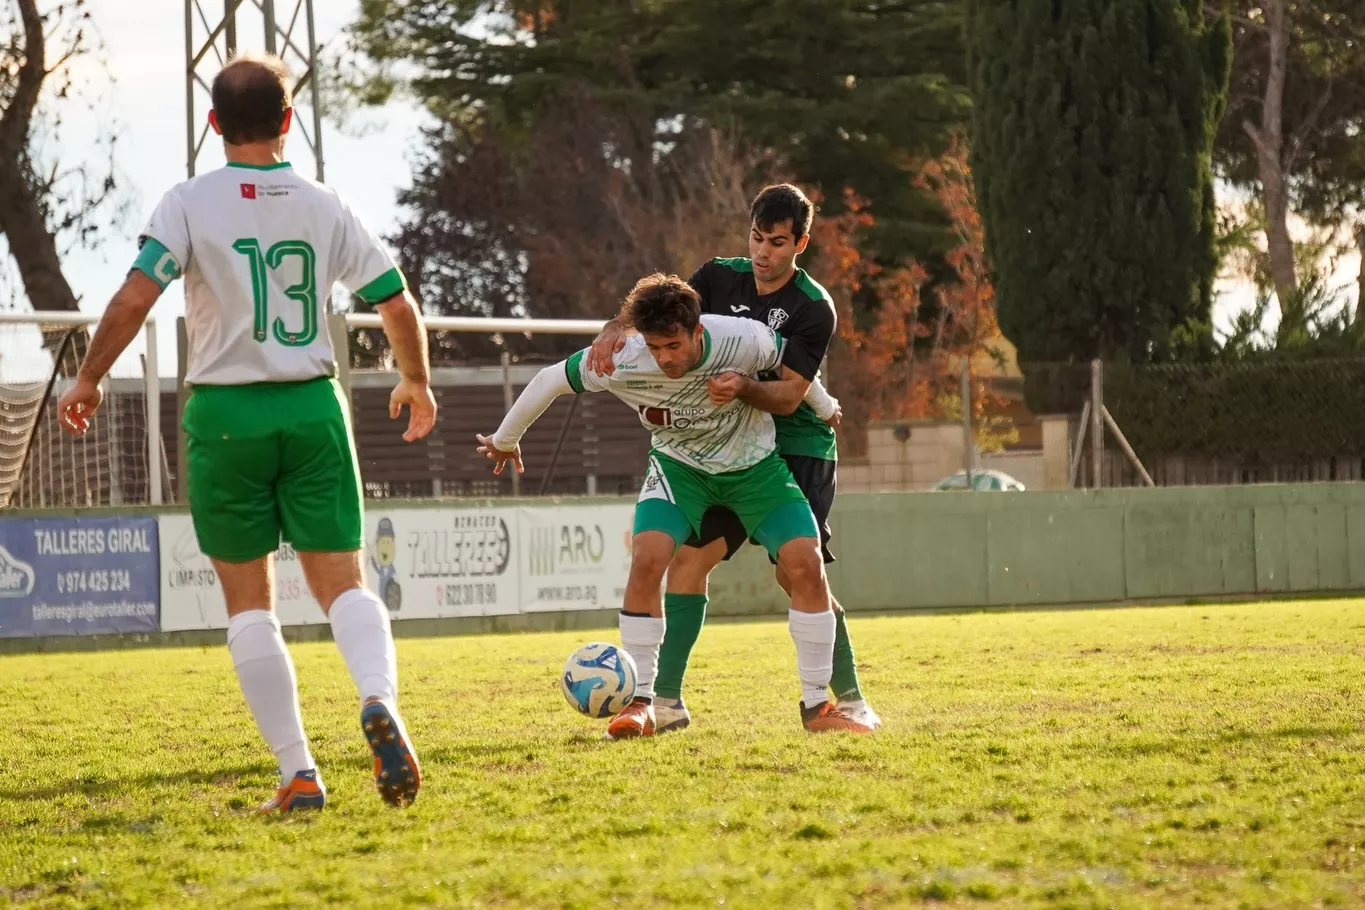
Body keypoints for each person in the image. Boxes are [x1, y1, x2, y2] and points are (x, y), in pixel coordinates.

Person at [56, 54, 435, 813]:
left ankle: (297, 772)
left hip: (226, 415)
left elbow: (135, 296)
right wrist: (415, 380)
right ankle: (377, 698)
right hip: (310, 405)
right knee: (344, 584)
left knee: (249, 603)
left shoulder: (188, 202)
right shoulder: (325, 203)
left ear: (213, 123)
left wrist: (91, 375)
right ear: (288, 121)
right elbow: (394, 300)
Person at [477, 273, 874, 736]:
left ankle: (815, 707)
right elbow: (549, 380)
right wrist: (505, 440)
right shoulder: (621, 358)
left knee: (804, 564)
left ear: (698, 331)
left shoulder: (742, 338)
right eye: (655, 346)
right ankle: (643, 702)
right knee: (648, 559)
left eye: (673, 346)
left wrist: (825, 406)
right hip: (679, 471)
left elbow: (797, 369)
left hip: (757, 470)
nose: (664, 358)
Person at [585, 184, 880, 733]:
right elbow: (659, 314)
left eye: (777, 242)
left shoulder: (814, 307)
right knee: (688, 563)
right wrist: (612, 329)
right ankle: (664, 703)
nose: (762, 252)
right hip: (727, 444)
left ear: (801, 243)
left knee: (796, 575)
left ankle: (849, 698)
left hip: (798, 444)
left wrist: (750, 388)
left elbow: (791, 395)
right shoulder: (718, 277)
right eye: (756, 238)